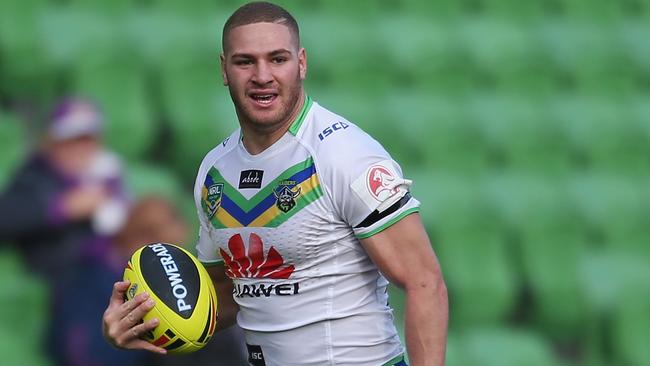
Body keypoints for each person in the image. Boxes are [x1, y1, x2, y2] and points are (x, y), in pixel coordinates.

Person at [102, 2, 448, 365]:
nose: (262, 75)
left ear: (301, 63)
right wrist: (141, 321)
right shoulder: (213, 172)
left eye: (277, 59)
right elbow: (227, 295)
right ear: (224, 69)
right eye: (245, 61)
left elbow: (426, 283)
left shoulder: (347, 155)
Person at [0, 98, 128, 284]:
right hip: (64, 278)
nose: (81, 148)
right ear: (52, 141)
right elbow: (6, 219)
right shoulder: (34, 174)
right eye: (72, 140)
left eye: (88, 139)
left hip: (108, 271)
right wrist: (61, 208)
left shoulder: (107, 173)